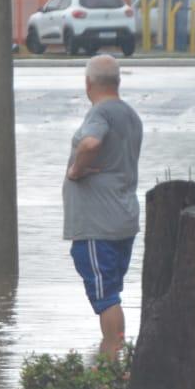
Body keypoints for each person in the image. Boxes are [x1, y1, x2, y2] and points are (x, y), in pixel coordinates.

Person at [63, 54, 143, 362]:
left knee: (106, 296)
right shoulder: (130, 115)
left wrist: (76, 170)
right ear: (117, 82)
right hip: (122, 218)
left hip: (98, 223)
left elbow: (91, 143)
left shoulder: (100, 113)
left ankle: (112, 359)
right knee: (111, 293)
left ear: (88, 83)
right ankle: (114, 356)